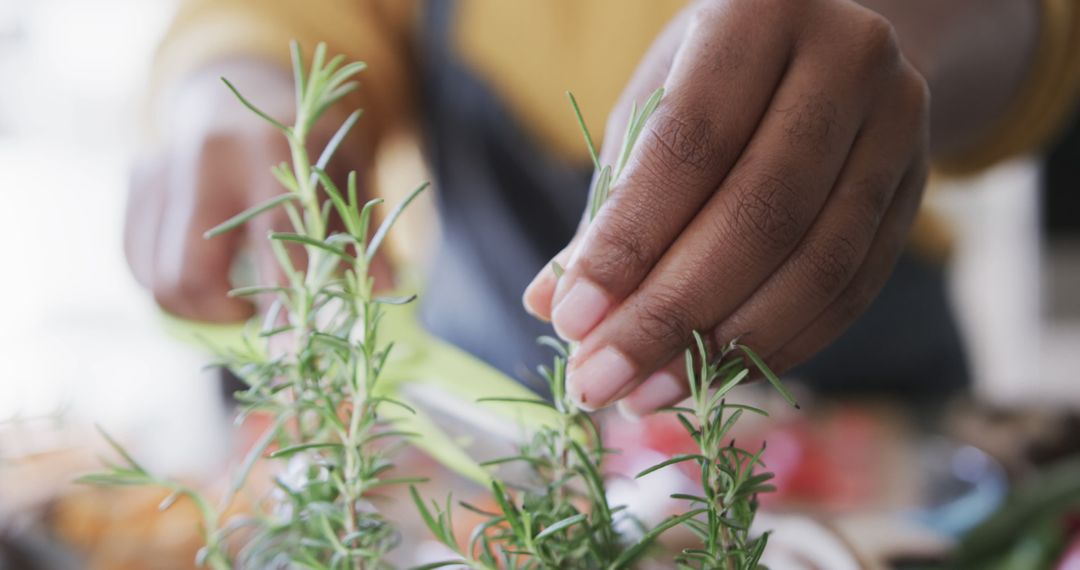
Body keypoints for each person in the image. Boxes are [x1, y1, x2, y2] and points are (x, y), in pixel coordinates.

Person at [125, 0, 1080, 416]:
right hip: (480, 409)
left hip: (874, 424)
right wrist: (237, 90)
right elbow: (278, 18)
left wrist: (902, 30)